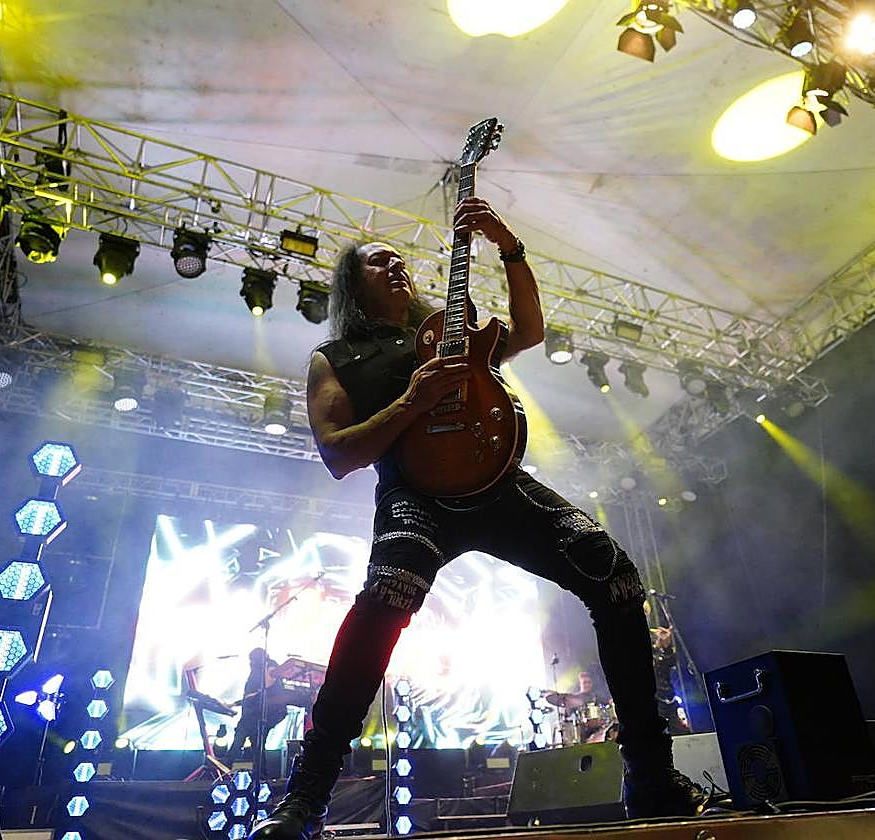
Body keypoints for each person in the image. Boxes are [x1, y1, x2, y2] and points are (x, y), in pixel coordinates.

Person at [249, 198, 706, 840]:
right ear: (353, 284)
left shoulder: (447, 330)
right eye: (379, 263)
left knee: (617, 577)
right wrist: (415, 399)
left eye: (401, 260)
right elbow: (339, 454)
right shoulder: (337, 357)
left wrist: (508, 245)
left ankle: (652, 774)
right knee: (383, 603)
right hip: (416, 498)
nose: (396, 268)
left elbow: (528, 330)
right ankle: (305, 799)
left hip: (501, 487)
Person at [227, 647, 286, 766]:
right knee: (256, 746)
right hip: (256, 712)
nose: (250, 663)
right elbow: (252, 695)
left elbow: (266, 686)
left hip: (265, 712)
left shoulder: (270, 665)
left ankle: (226, 765)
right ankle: (261, 777)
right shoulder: (257, 669)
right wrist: (236, 703)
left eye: (252, 660)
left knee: (242, 736)